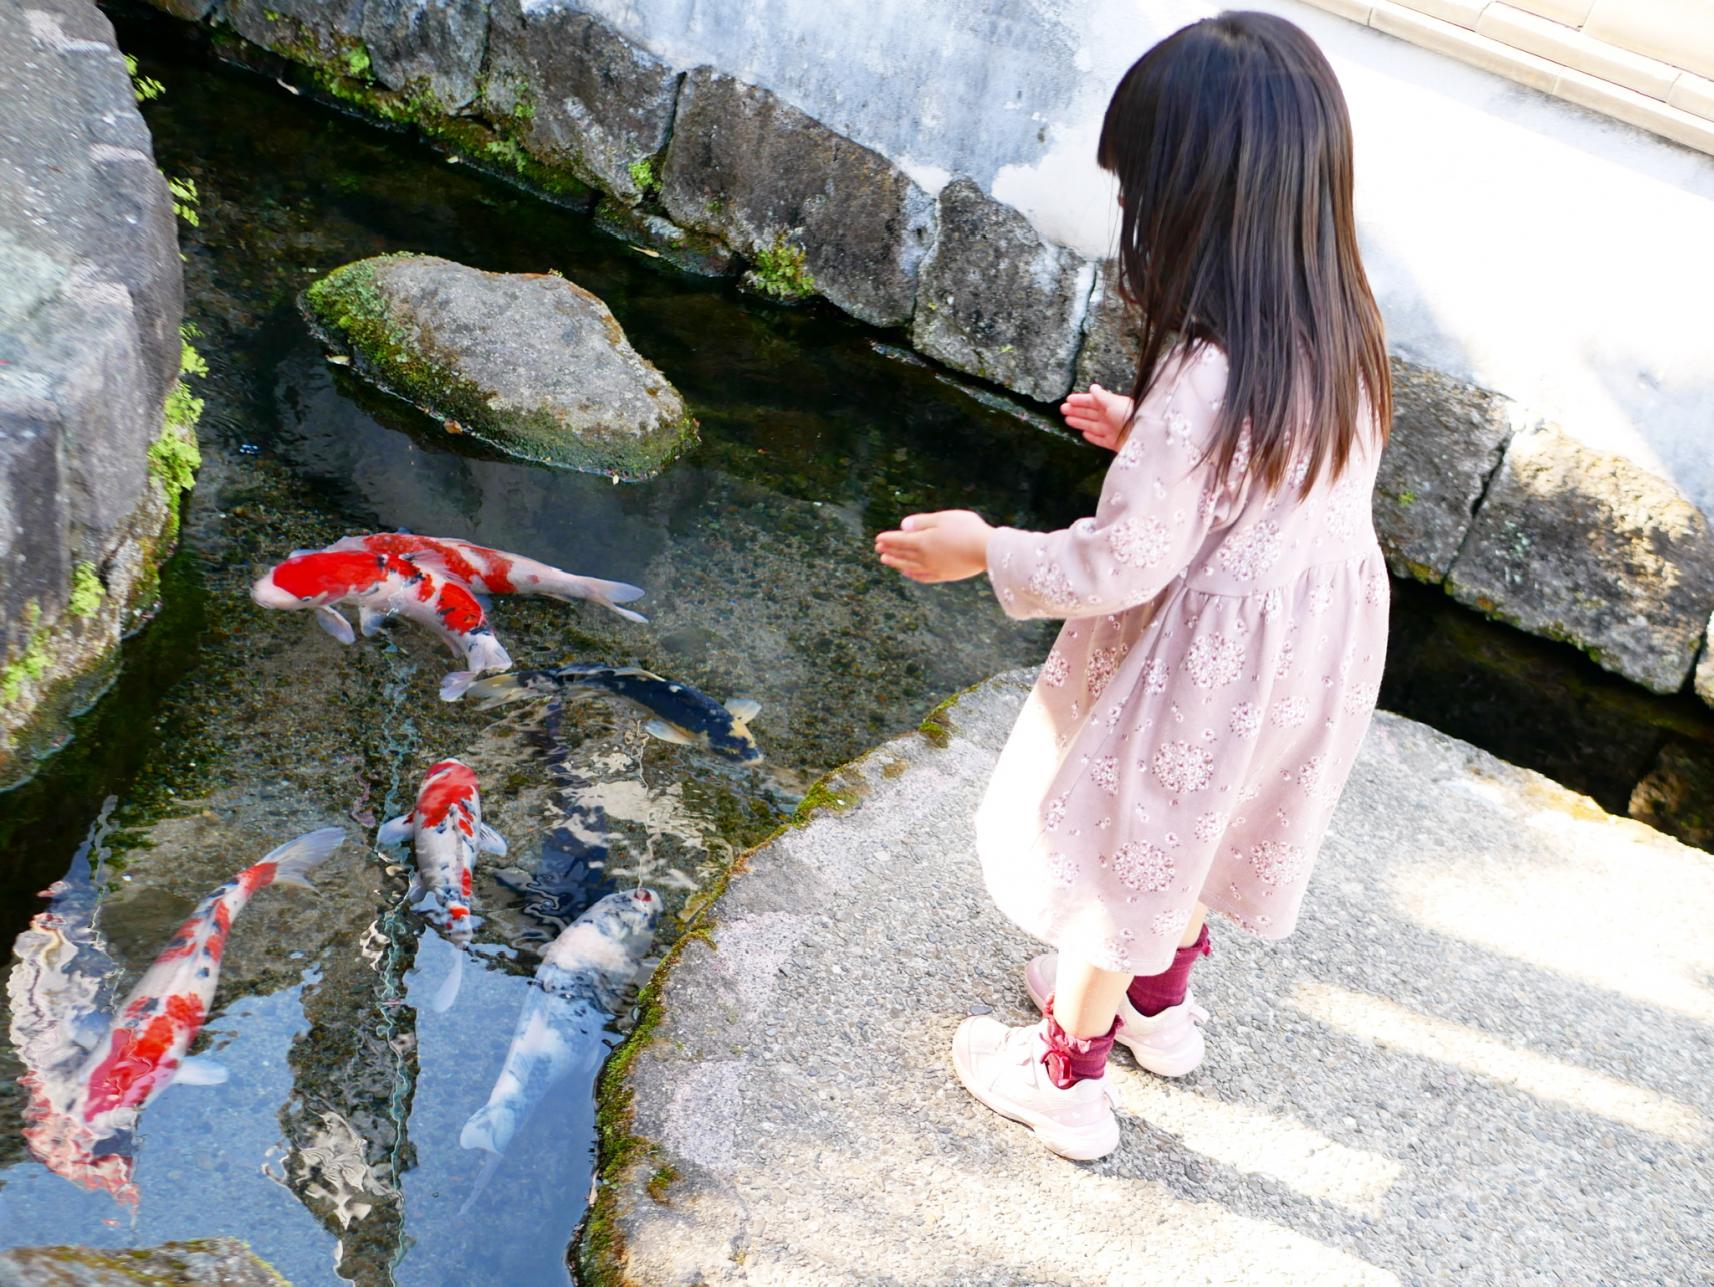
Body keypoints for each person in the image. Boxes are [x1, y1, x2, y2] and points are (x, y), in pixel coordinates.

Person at [874, 11, 1392, 1161]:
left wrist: (986, 550)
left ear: (1193, 203)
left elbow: (1121, 565)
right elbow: (1266, 491)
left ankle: (1066, 1073)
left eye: (1142, 195)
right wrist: (1143, 436)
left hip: (1202, 676)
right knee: (1203, 833)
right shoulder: (1341, 333)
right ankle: (1161, 1005)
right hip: (1303, 661)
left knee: (1125, 853)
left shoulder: (1210, 374)